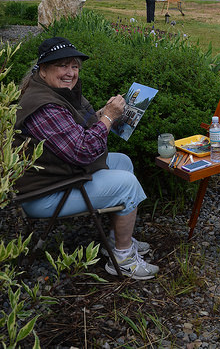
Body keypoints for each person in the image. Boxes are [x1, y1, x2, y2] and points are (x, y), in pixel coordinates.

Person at [14, 37, 159, 280]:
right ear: (43, 69)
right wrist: (109, 118)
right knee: (128, 184)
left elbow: (82, 125)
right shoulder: (43, 106)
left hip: (59, 172)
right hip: (44, 193)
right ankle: (122, 259)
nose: (70, 72)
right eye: (63, 66)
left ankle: (115, 239)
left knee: (122, 161)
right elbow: (81, 150)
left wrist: (106, 114)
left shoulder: (56, 91)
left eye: (75, 66)